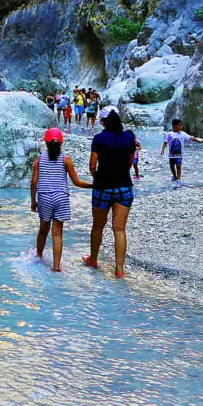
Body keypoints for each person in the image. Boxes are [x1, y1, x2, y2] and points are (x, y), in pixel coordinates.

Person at [30, 127, 93, 272]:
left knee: (43, 229)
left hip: (44, 196)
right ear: (61, 143)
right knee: (57, 233)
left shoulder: (39, 160)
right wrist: (94, 185)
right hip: (61, 197)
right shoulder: (66, 160)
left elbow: (34, 182)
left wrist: (33, 201)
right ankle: (57, 266)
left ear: (46, 143)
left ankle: (38, 256)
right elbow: (77, 182)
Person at [84, 106, 136, 278]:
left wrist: (97, 178)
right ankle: (119, 269)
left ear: (105, 122)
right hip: (124, 187)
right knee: (119, 229)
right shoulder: (129, 137)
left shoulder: (99, 138)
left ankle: (93, 259)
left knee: (98, 226)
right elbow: (130, 162)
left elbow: (92, 165)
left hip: (103, 187)